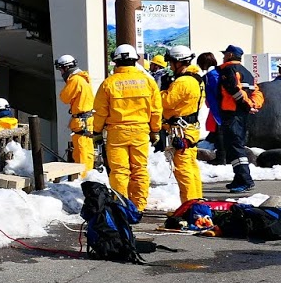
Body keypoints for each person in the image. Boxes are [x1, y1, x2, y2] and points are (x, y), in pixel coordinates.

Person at [93, 43, 163, 211]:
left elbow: (100, 112)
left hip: (117, 132)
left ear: (116, 62)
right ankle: (138, 205)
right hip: (140, 131)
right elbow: (156, 110)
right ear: (134, 60)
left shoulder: (109, 83)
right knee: (139, 170)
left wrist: (96, 131)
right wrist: (155, 130)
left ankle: (121, 205)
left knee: (119, 171)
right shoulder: (148, 81)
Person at [161, 45, 204, 204]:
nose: (170, 66)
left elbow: (166, 102)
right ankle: (197, 202)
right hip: (190, 128)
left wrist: (163, 89)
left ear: (179, 62)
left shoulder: (183, 82)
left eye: (171, 62)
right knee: (192, 168)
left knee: (184, 170)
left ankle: (189, 206)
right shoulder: (196, 78)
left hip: (181, 130)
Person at [216, 44, 260, 193]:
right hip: (242, 115)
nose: (223, 56)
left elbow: (234, 91)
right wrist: (254, 104)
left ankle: (246, 180)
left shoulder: (228, 70)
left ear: (230, 55)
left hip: (232, 113)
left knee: (235, 148)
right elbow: (257, 92)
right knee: (235, 147)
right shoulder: (247, 72)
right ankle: (239, 178)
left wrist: (247, 105)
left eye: (225, 54)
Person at [55, 54, 96, 177]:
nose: (61, 73)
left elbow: (64, 97)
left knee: (82, 153)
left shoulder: (75, 80)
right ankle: (87, 177)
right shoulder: (82, 79)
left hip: (81, 121)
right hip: (86, 120)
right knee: (86, 152)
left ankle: (84, 179)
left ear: (66, 68)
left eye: (61, 69)